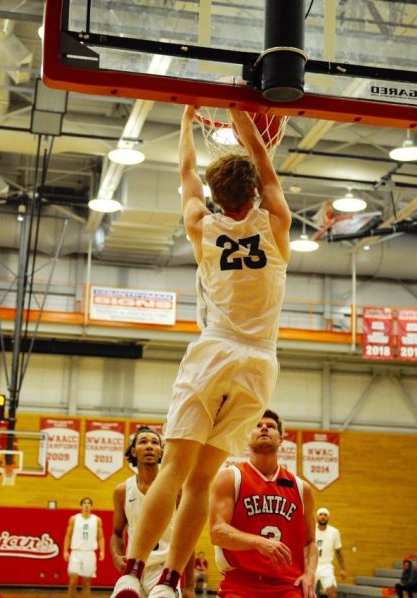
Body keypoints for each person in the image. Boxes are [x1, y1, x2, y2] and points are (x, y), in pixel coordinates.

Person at [111, 106, 291, 598]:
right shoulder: (276, 224)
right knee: (203, 478)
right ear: (253, 193)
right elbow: (266, 171)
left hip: (214, 350)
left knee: (174, 467)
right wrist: (246, 123)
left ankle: (131, 572)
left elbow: (187, 175)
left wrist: (189, 122)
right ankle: (170, 580)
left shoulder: (203, 227)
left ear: (217, 197)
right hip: (259, 360)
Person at [209, 410, 317, 598]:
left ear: (281, 439)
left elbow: (310, 542)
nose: (264, 428)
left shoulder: (301, 488)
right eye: (257, 426)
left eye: (271, 426)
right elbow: (217, 532)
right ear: (247, 437)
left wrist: (310, 574)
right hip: (240, 584)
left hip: (287, 586)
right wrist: (259, 542)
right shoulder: (230, 478)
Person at [112, 426, 193, 598]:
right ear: (134, 451)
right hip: (134, 568)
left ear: (161, 451)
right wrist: (116, 556)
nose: (149, 446)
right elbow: (117, 533)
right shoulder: (122, 491)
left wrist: (189, 586)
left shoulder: (175, 489)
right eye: (143, 442)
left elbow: (187, 536)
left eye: (155, 442)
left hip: (166, 568)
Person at [65, 497, 106, 597]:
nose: (86, 505)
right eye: (84, 503)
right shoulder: (74, 519)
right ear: (81, 505)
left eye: (89, 503)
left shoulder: (97, 520)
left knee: (86, 583)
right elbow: (68, 535)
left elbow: (100, 537)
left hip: (89, 553)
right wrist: (65, 551)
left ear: (91, 506)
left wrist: (102, 551)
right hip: (76, 553)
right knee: (72, 582)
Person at [314, 507, 347, 597]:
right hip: (311, 565)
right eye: (321, 514)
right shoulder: (311, 529)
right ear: (317, 517)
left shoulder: (334, 532)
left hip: (326, 566)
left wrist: (343, 569)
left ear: (328, 518)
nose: (323, 517)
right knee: (306, 593)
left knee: (332, 591)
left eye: (325, 515)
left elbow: (338, 552)